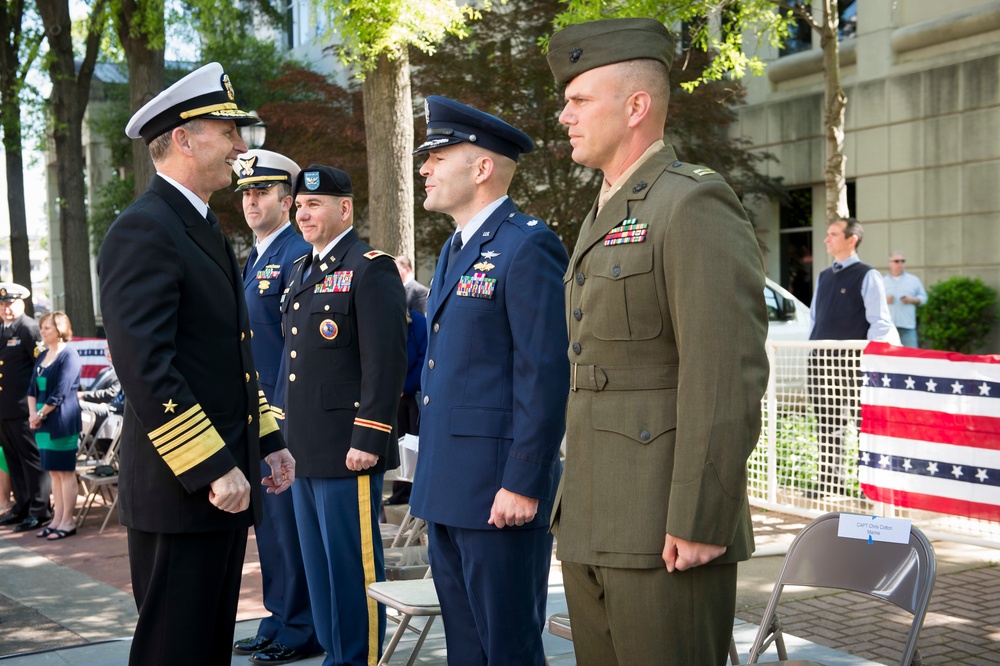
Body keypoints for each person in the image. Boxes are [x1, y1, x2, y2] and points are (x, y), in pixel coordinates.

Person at [546, 19, 769, 665]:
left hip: (663, 525)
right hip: (593, 514)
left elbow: (725, 372)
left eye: (579, 100)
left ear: (636, 105)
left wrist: (700, 516)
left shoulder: (690, 203)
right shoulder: (607, 209)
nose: (564, 116)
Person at [97, 62, 296, 666]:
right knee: (173, 649)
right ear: (182, 139)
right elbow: (146, 367)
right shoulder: (145, 230)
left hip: (218, 484)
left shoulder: (202, 226)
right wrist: (212, 466)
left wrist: (269, 440)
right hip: (182, 487)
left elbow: (229, 358)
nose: (241, 146)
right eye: (226, 131)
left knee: (206, 649)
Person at [408, 96, 569, 665]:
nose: (424, 168)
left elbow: (544, 373)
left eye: (437, 155)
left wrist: (524, 482)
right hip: (450, 485)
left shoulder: (527, 245)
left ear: (481, 168)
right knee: (467, 649)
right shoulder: (455, 248)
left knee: (508, 649)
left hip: (500, 490)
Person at [279, 164, 407, 666]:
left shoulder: (370, 265)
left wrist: (370, 437)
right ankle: (337, 655)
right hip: (306, 445)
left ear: (345, 208)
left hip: (348, 447)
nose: (303, 213)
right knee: (321, 570)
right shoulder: (301, 270)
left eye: (314, 205)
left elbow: (386, 361)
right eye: (299, 206)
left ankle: (361, 659)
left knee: (353, 568)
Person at [230, 149, 321, 664]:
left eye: (261, 192)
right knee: (272, 528)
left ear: (287, 202)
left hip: (283, 418)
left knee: (288, 527)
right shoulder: (259, 253)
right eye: (245, 192)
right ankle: (278, 614)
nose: (250, 201)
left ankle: (300, 625)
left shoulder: (294, 254)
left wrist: (280, 421)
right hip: (260, 415)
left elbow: (297, 348)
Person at [809, 217, 893, 496]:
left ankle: (868, 487)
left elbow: (880, 324)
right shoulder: (823, 276)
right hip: (821, 363)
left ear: (851, 239)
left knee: (863, 425)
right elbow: (814, 320)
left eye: (833, 234)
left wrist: (872, 361)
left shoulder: (867, 275)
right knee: (827, 422)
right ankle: (830, 483)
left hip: (854, 364)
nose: (826, 239)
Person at [0, 283, 51, 533]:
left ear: (21, 303)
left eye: (10, 303)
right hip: (5, 409)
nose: (6, 308)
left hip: (24, 409)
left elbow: (41, 369)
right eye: (2, 304)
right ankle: (23, 506)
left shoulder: (29, 328)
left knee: (32, 460)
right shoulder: (3, 330)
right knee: (14, 460)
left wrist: (38, 408)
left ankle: (40, 510)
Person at [28, 312, 83, 540]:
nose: (42, 331)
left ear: (60, 329)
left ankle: (68, 521)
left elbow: (60, 393)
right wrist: (33, 413)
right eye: (41, 328)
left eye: (47, 328)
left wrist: (40, 413)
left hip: (61, 420)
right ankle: (56, 519)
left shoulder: (69, 355)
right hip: (41, 421)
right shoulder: (42, 355)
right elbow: (32, 389)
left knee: (65, 471)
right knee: (54, 472)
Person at [383, 307, 427, 506]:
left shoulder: (417, 323)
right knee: (399, 443)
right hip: (394, 394)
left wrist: (405, 386)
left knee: (416, 441)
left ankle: (417, 492)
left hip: (415, 393)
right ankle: (400, 493)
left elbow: (424, 358)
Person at [883, 251, 927, 348]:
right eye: (896, 261)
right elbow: (873, 302)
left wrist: (912, 300)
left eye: (902, 261)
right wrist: (884, 300)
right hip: (888, 328)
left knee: (911, 357)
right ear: (889, 264)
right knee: (889, 358)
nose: (900, 263)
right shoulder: (882, 281)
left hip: (907, 326)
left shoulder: (913, 280)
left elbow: (924, 298)